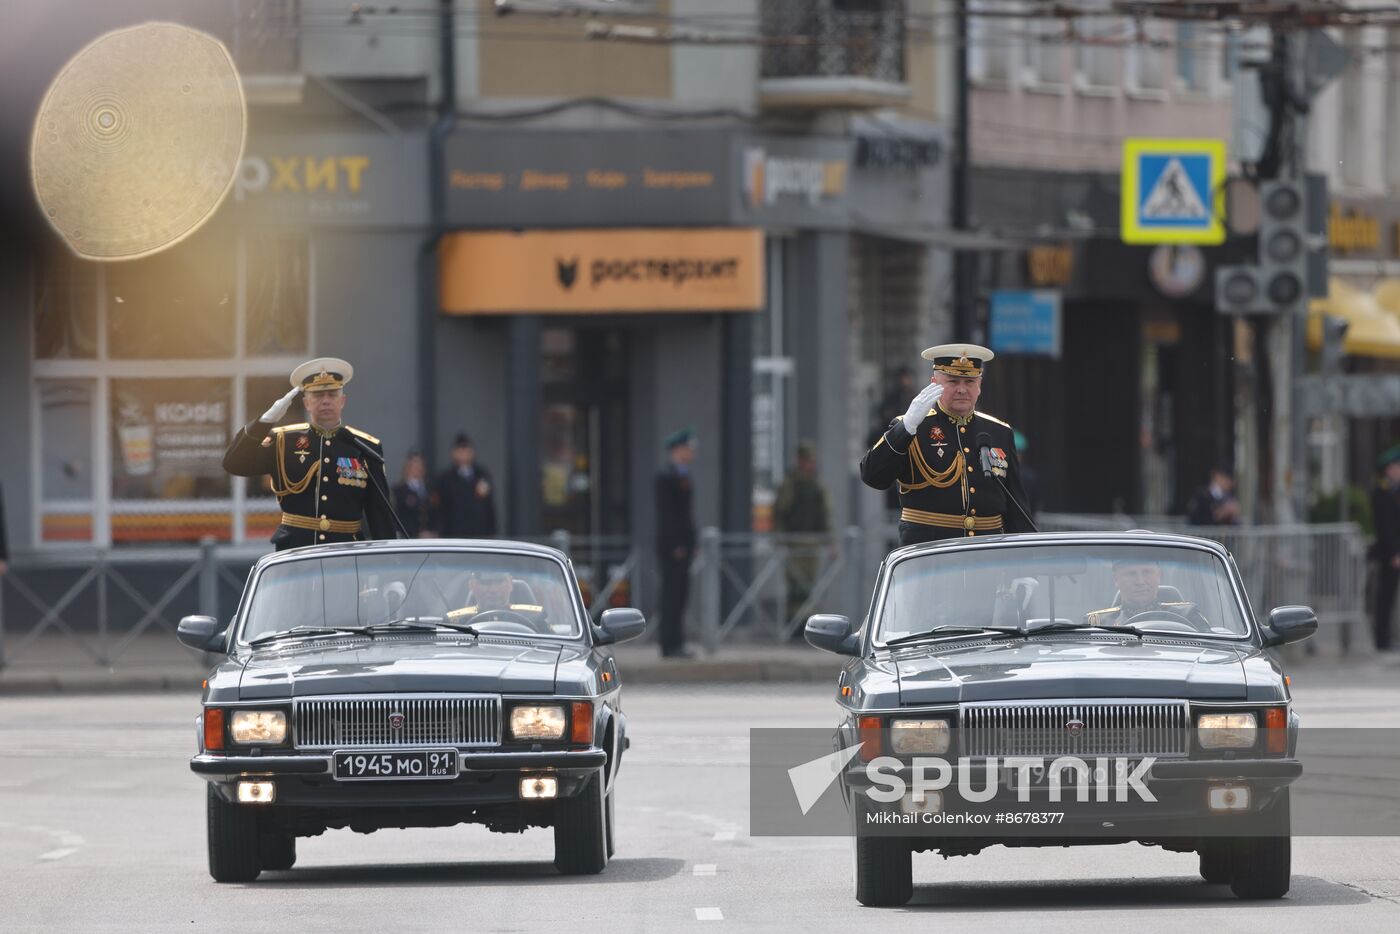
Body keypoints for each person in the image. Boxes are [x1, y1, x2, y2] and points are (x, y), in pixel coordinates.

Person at [859, 343, 1034, 546]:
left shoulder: (999, 432)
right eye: (952, 381)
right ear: (935, 383)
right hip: (930, 556)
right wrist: (905, 428)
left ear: (980, 385)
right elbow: (873, 476)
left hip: (987, 556)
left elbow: (1017, 509)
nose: (962, 389)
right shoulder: (914, 426)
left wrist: (1025, 567)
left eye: (969, 382)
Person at [223, 357, 396, 550]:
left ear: (343, 401)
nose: (326, 401)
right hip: (296, 552)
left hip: (347, 552)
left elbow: (379, 514)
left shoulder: (364, 446)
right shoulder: (283, 441)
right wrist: (266, 420)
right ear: (306, 403)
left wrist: (388, 569)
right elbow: (234, 462)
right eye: (318, 395)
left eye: (332, 394)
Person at [775, 440, 831, 632]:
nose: (811, 464)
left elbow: (824, 514)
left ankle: (804, 625)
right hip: (794, 542)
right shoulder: (791, 483)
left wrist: (830, 541)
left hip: (812, 542)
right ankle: (793, 626)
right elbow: (780, 512)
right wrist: (780, 539)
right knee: (795, 587)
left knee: (808, 586)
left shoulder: (815, 485)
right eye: (808, 460)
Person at [655, 427, 698, 658]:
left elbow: (688, 515)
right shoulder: (665, 476)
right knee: (670, 596)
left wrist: (693, 541)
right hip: (672, 548)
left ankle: (678, 643)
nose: (691, 453)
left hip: (685, 546)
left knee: (682, 595)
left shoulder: (684, 475)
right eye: (688, 448)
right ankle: (668, 643)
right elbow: (668, 516)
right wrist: (676, 545)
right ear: (677, 450)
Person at [1086, 559, 1211, 630]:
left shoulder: (1189, 615)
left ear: (1159, 576)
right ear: (1116, 579)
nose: (1140, 582)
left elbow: (1212, 653)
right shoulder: (1098, 624)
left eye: (1147, 572)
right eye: (1131, 574)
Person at [431, 433, 498, 538]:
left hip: (480, 535)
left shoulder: (482, 475)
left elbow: (489, 508)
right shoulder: (445, 479)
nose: (464, 453)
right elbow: (439, 509)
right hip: (454, 536)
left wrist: (492, 532)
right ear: (453, 453)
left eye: (466, 449)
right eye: (460, 450)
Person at [446, 568, 547, 629]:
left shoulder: (534, 618)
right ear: (472, 585)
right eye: (485, 583)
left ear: (510, 584)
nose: (493, 590)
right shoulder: (455, 622)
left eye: (499, 582)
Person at [1370, 446, 1400, 651]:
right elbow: (1387, 527)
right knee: (1385, 598)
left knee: (1390, 598)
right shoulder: (1382, 492)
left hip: (1393, 553)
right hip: (1389, 555)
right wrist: (1394, 553)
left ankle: (1388, 638)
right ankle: (1382, 640)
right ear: (1389, 469)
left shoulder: (1393, 490)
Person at [392, 449, 432, 538]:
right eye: (413, 464)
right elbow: (398, 517)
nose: (417, 467)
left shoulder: (430, 489)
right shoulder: (398, 490)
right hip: (408, 537)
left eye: (419, 464)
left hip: (430, 538)